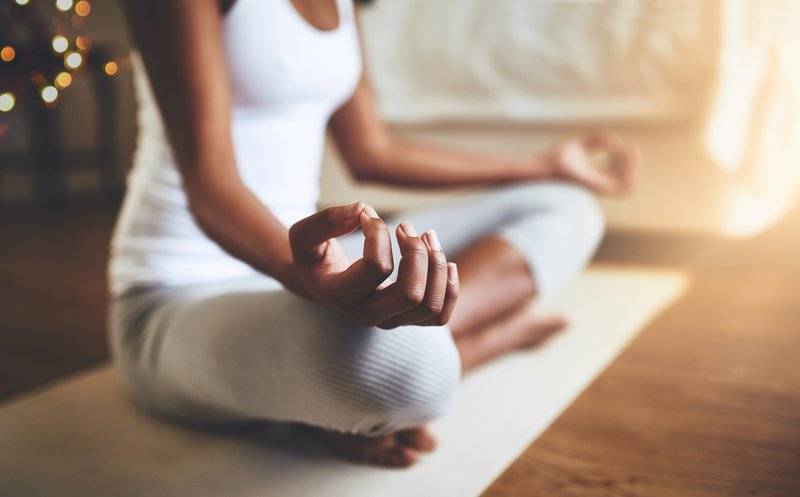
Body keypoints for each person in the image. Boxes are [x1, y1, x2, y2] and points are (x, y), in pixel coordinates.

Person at [110, 0, 639, 468]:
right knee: (415, 373)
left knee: (566, 206)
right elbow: (211, 186)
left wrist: (545, 164)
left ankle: (377, 370)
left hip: (306, 266)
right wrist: (307, 278)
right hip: (177, 297)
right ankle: (482, 337)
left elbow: (374, 151)